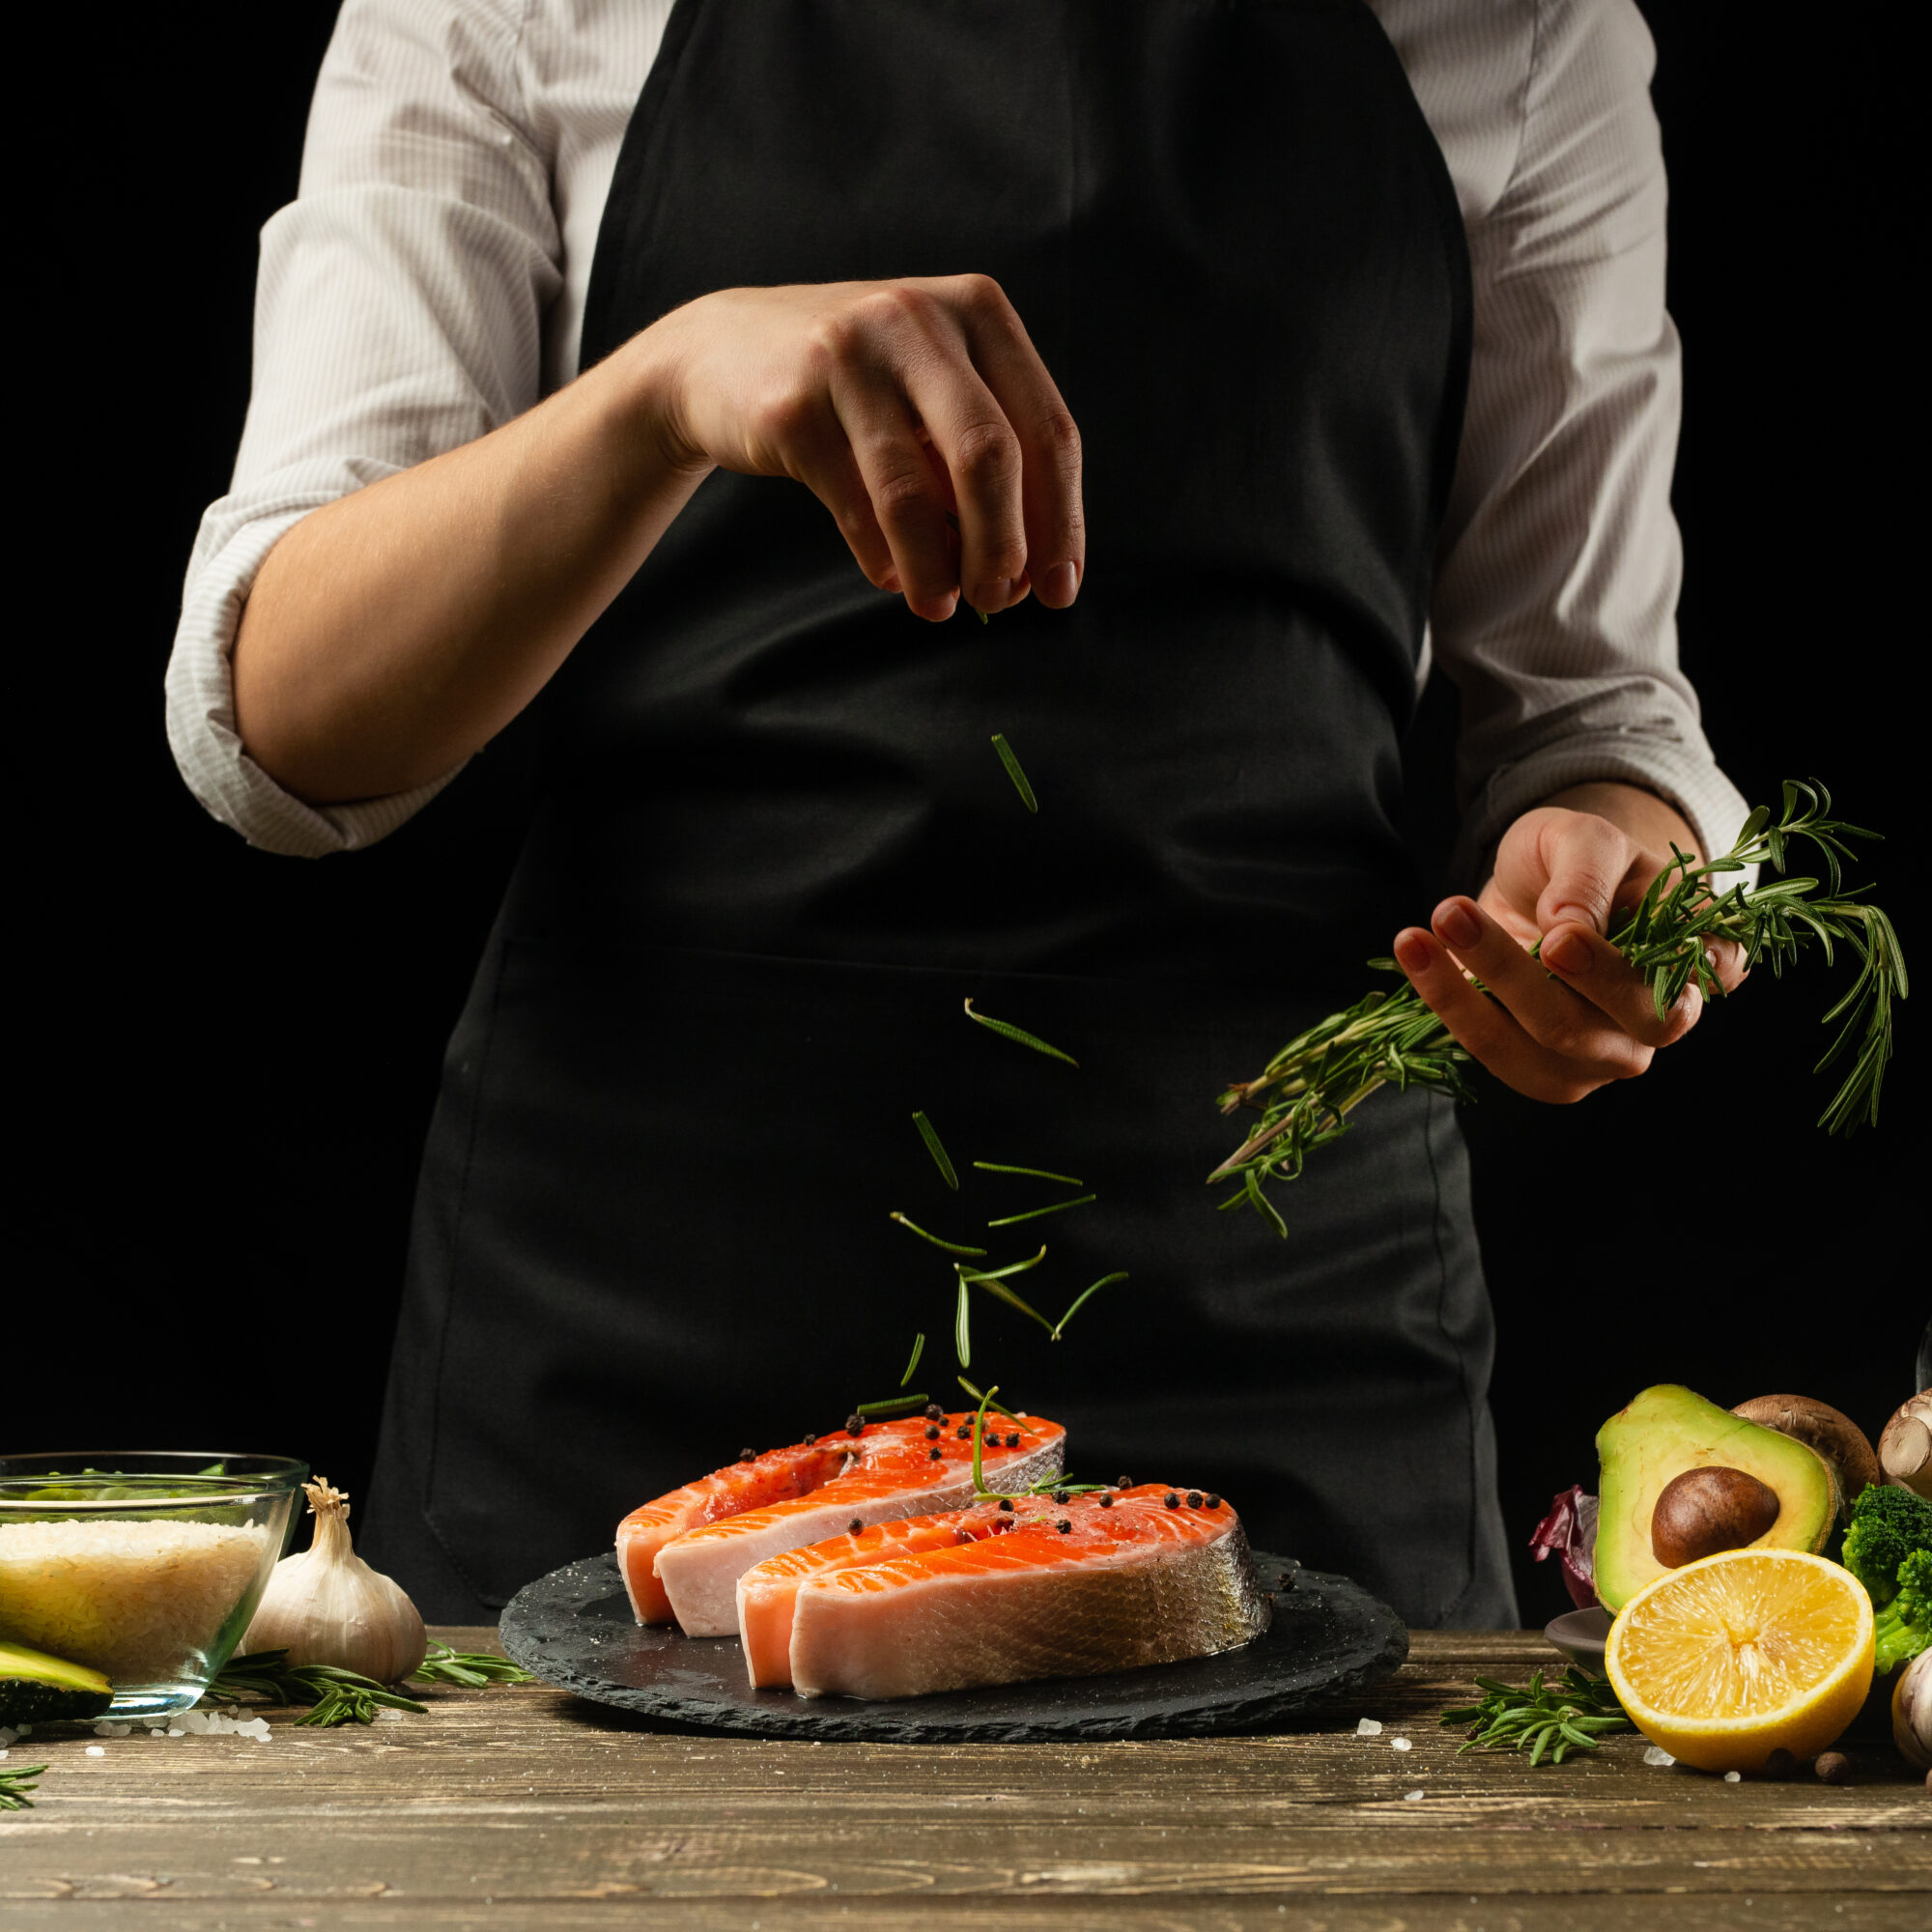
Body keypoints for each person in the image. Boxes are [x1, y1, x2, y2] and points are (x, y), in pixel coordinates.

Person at [167, 0, 1748, 1628]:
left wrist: (1623, 862)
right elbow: (283, 724)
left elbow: (1600, 712)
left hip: (1279, 1300)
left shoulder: (1529, 29)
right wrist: (657, 393)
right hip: (641, 1302)